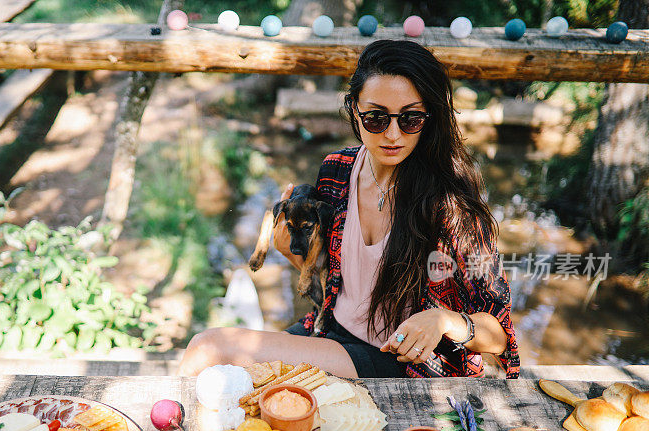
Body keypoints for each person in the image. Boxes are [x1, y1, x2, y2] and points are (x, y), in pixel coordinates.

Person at [179, 39, 519, 379]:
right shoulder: (337, 170)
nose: (393, 134)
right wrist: (294, 255)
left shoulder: (451, 203)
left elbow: (499, 337)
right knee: (211, 360)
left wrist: (446, 320)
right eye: (375, 118)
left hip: (400, 362)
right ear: (354, 109)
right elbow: (334, 279)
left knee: (211, 348)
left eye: (411, 119)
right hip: (330, 330)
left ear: (429, 118)